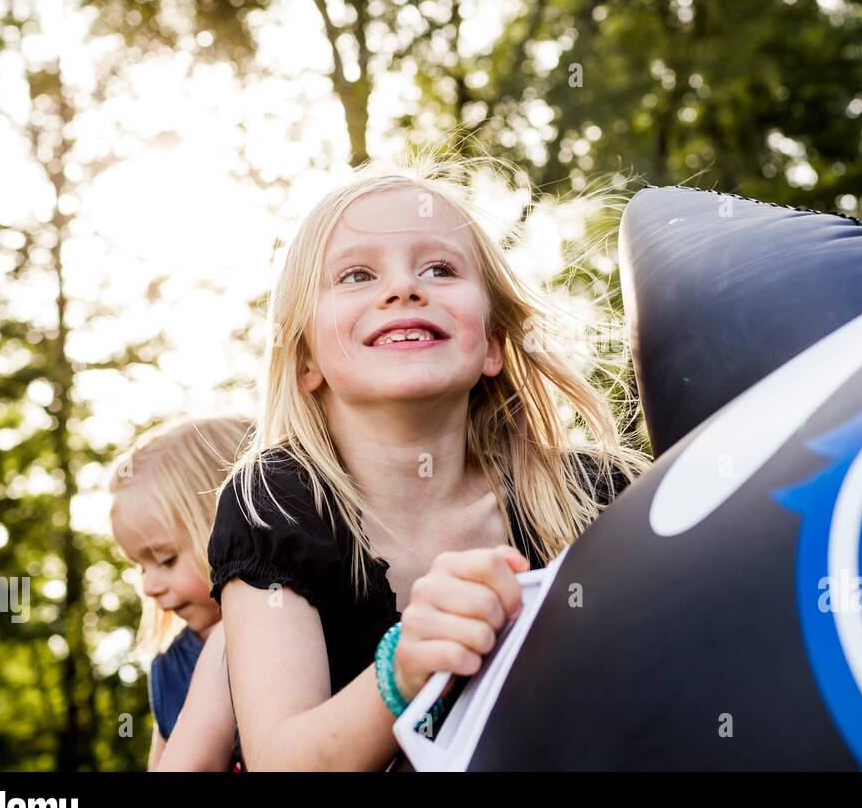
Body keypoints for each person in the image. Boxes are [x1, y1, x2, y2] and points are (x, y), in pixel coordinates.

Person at [208, 145, 650, 770]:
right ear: (306, 358)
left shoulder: (601, 492)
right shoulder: (275, 502)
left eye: (440, 269)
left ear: (494, 342)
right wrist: (405, 668)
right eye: (356, 275)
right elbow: (283, 761)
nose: (404, 288)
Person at [108, 414, 252, 770]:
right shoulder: (171, 667)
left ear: (231, 529)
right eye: (141, 567)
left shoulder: (311, 632)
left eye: (166, 560)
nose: (148, 586)